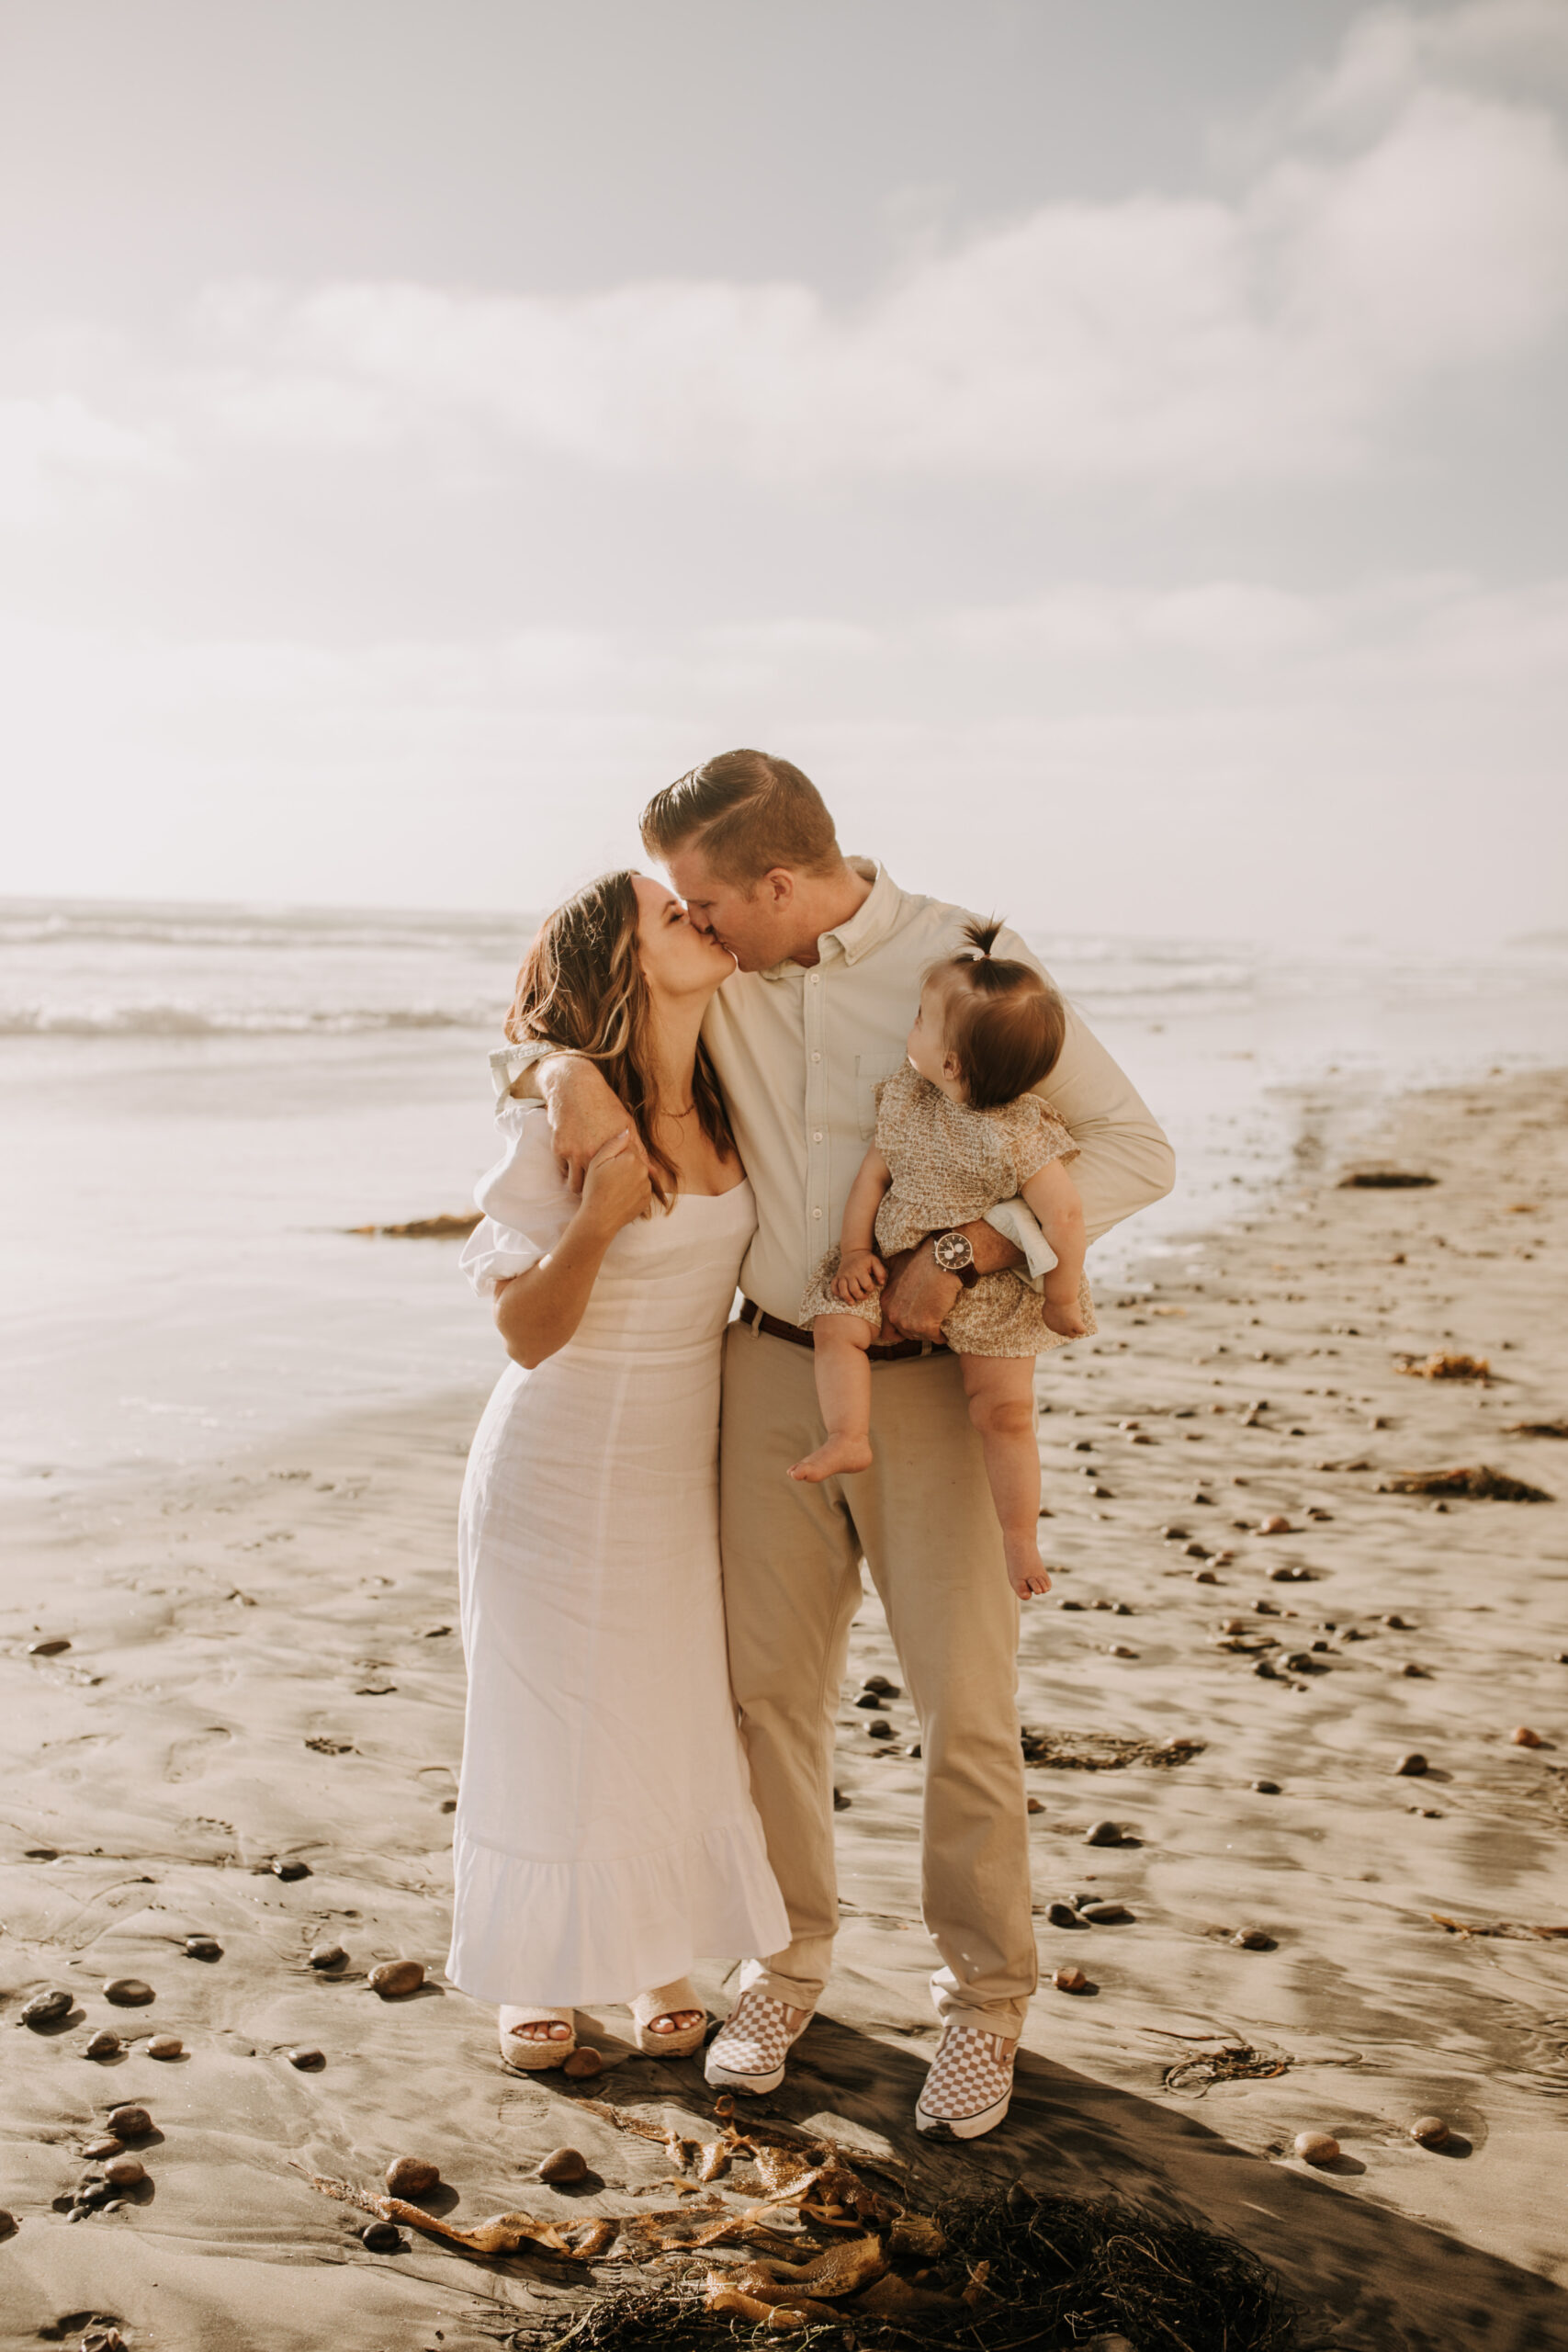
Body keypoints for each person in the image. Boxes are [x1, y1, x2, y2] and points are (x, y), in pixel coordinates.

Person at [515, 751, 1174, 2139]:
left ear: (774, 884)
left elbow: (1129, 1150)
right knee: (766, 1696)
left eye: (703, 901)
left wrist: (972, 1241)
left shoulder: (970, 962)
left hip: (937, 1384)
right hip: (763, 1362)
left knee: (961, 1709)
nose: (687, 926)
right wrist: (548, 1070)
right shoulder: (718, 969)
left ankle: (984, 2004)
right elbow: (549, 1005)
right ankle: (788, 1957)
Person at [447, 868, 788, 2074]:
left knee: (666, 1703)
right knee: (541, 1708)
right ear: (623, 963)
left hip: (676, 1454)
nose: (700, 912)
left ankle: (661, 1954)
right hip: (549, 1450)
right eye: (669, 911)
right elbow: (524, 1332)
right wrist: (596, 1210)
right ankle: (529, 1973)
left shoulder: (739, 1088)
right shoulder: (556, 1119)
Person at [791, 919, 1093, 1608]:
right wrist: (858, 1252)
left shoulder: (1018, 1132)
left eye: (922, 1020)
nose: (911, 1027)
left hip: (991, 1292)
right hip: (890, 1263)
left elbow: (1065, 1217)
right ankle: (847, 1435)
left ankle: (1018, 1534)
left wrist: (1060, 1298)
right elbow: (871, 1179)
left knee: (1005, 1413)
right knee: (836, 1324)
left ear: (952, 1061)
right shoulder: (906, 1098)